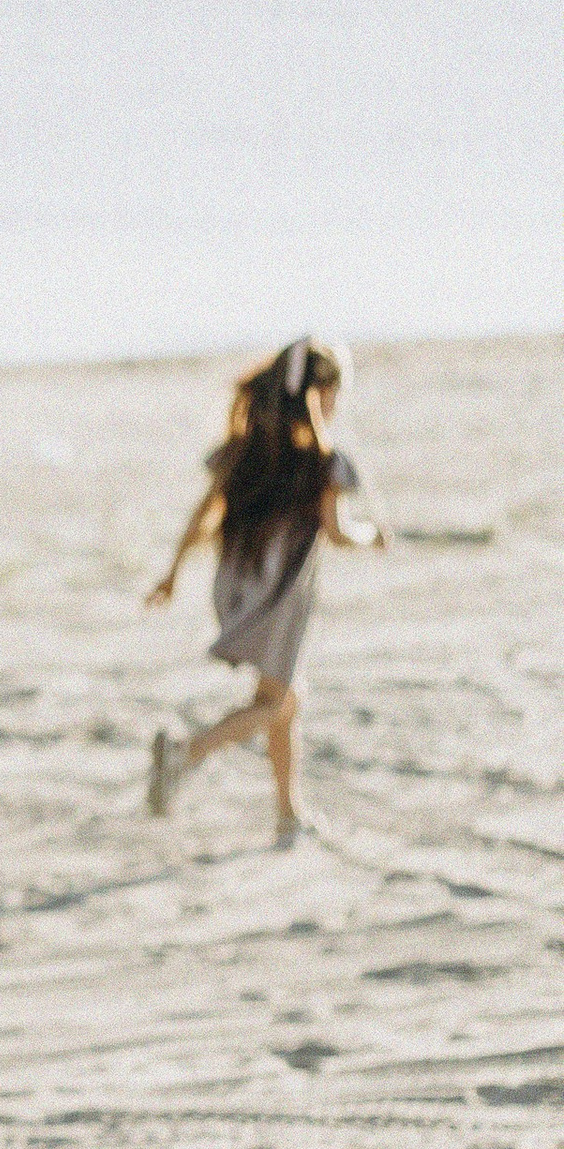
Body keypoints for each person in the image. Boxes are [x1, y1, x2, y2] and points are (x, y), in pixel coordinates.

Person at [145, 337, 387, 841]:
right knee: (279, 702)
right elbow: (338, 532)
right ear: (322, 394)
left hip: (237, 585)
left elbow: (203, 514)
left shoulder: (245, 453)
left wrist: (172, 573)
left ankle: (287, 815)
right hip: (281, 595)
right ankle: (185, 753)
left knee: (280, 697)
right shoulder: (323, 462)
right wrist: (373, 536)